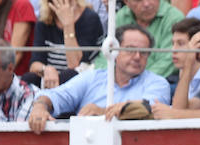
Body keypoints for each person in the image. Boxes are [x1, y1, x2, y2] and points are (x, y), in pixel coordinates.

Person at [26, 23, 172, 130]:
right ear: (113, 51)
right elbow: (56, 95)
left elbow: (149, 110)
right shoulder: (93, 78)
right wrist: (40, 106)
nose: (137, 56)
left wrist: (103, 113)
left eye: (144, 52)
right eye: (130, 50)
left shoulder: (158, 83)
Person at [90, 0, 179, 82]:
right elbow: (106, 55)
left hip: (157, 81)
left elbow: (167, 62)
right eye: (138, 0)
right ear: (126, 2)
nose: (146, 4)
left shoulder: (174, 18)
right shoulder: (121, 16)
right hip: (118, 81)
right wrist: (109, 78)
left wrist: (134, 82)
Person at [29, 0, 103, 88]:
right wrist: (46, 69)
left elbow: (74, 64)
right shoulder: (44, 21)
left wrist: (68, 25)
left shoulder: (90, 18)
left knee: (68, 75)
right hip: (52, 79)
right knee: (29, 78)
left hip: (81, 79)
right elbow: (34, 64)